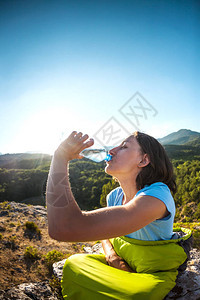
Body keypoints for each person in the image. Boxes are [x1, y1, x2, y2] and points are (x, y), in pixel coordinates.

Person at [46, 130, 190, 299]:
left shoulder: (157, 196)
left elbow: (64, 227)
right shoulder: (114, 196)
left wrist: (60, 159)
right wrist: (113, 257)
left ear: (144, 160)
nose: (111, 151)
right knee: (74, 264)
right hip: (122, 264)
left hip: (151, 274)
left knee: (136, 295)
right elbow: (106, 234)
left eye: (123, 147)